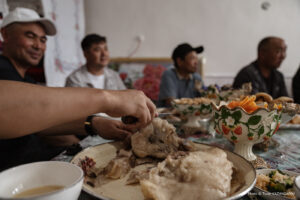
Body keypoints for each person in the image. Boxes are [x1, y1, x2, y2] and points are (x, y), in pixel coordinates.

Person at [0, 7, 156, 171]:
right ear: (5, 34)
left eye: (43, 40)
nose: (38, 45)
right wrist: (108, 99)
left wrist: (93, 124)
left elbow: (34, 120)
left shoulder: (27, 80)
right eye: (30, 36)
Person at [157, 43, 205, 107]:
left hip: (191, 116)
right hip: (169, 115)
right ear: (179, 61)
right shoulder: (169, 75)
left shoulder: (197, 77)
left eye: (196, 58)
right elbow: (171, 103)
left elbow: (204, 99)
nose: (196, 62)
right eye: (192, 58)